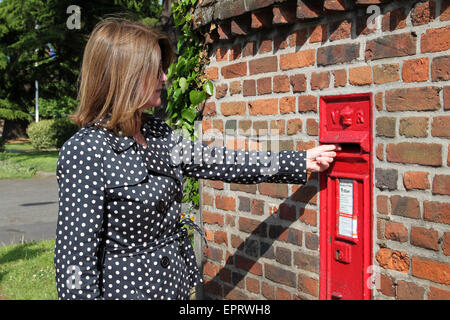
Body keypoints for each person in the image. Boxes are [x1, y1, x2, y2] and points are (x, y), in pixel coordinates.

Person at [53, 17, 339, 300]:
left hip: (174, 288)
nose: (164, 78)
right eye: (154, 70)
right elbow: (74, 264)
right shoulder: (86, 151)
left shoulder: (156, 132)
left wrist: (297, 162)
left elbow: (220, 160)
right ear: (124, 76)